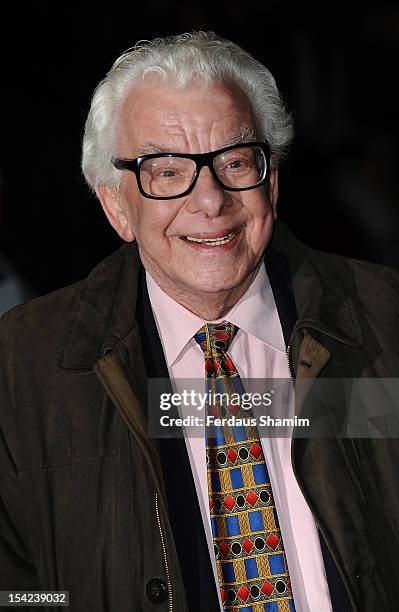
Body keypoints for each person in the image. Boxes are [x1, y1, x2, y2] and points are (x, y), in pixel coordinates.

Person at [0, 31, 398, 612]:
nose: (209, 200)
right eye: (166, 172)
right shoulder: (20, 369)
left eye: (234, 161)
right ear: (115, 204)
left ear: (273, 179)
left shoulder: (386, 318)